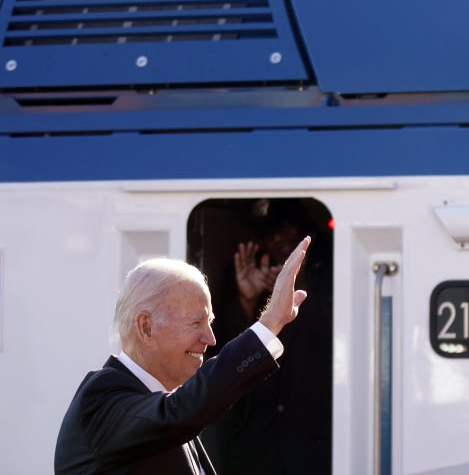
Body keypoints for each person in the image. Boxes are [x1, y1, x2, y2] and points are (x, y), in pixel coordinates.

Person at [54, 236, 312, 474]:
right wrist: (270, 323)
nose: (210, 338)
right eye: (196, 322)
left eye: (209, 322)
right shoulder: (100, 399)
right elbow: (182, 410)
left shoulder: (168, 407)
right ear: (147, 327)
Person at [201, 201, 332, 475]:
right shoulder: (245, 275)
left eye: (288, 231)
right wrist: (247, 301)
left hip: (313, 444)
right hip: (256, 448)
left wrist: (296, 287)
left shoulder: (329, 271)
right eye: (273, 234)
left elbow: (332, 334)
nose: (281, 241)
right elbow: (219, 355)